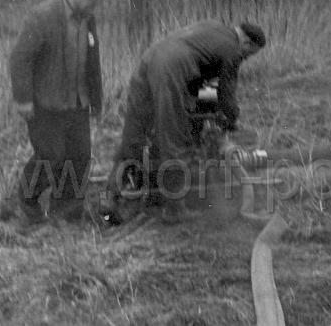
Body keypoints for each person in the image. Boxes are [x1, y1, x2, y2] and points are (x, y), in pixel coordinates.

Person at [107, 19, 266, 224]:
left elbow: (207, 84)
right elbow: (226, 93)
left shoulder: (213, 29)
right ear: (247, 44)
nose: (245, 58)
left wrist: (206, 113)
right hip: (171, 72)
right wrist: (230, 120)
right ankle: (175, 209)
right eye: (249, 55)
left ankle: (112, 199)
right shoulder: (232, 49)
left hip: (148, 62)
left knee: (134, 135)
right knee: (173, 140)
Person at [9, 0, 107, 225]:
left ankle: (66, 213)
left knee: (79, 156)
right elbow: (20, 58)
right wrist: (23, 98)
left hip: (78, 102)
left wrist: (96, 101)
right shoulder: (42, 17)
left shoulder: (88, 19)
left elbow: (92, 61)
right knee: (51, 156)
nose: (95, 5)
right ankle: (26, 201)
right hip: (45, 104)